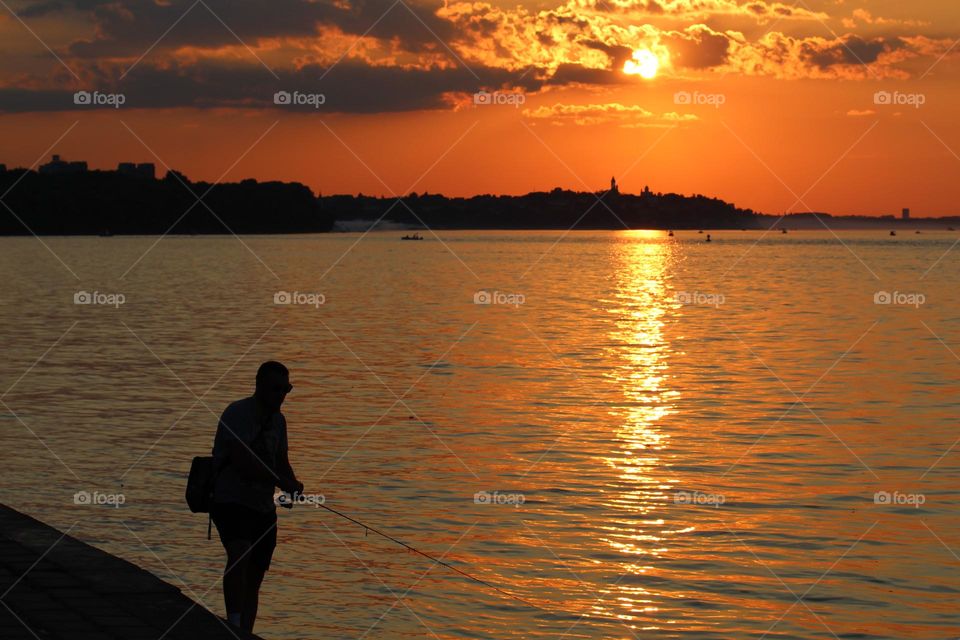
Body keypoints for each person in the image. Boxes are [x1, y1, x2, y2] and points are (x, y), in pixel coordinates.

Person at [210, 361, 303, 631]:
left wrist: (292, 482)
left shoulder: (279, 421)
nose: (282, 395)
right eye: (276, 389)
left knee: (256, 573)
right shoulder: (238, 413)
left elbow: (281, 459)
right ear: (259, 386)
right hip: (231, 499)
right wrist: (279, 480)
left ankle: (245, 631)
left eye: (286, 389)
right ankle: (234, 622)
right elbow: (242, 461)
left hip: (262, 507)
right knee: (239, 553)